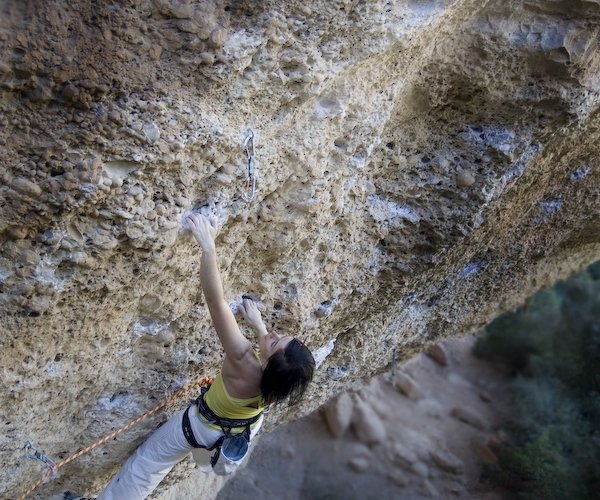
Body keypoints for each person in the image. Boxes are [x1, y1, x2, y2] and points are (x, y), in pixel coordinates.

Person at [95, 213, 315, 499]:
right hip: (237, 430)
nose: (272, 333)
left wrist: (208, 246)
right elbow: (273, 355)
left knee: (147, 466)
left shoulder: (243, 359)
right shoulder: (279, 385)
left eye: (274, 341)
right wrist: (259, 325)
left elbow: (216, 302)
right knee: (201, 454)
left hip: (200, 426)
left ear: (270, 362)